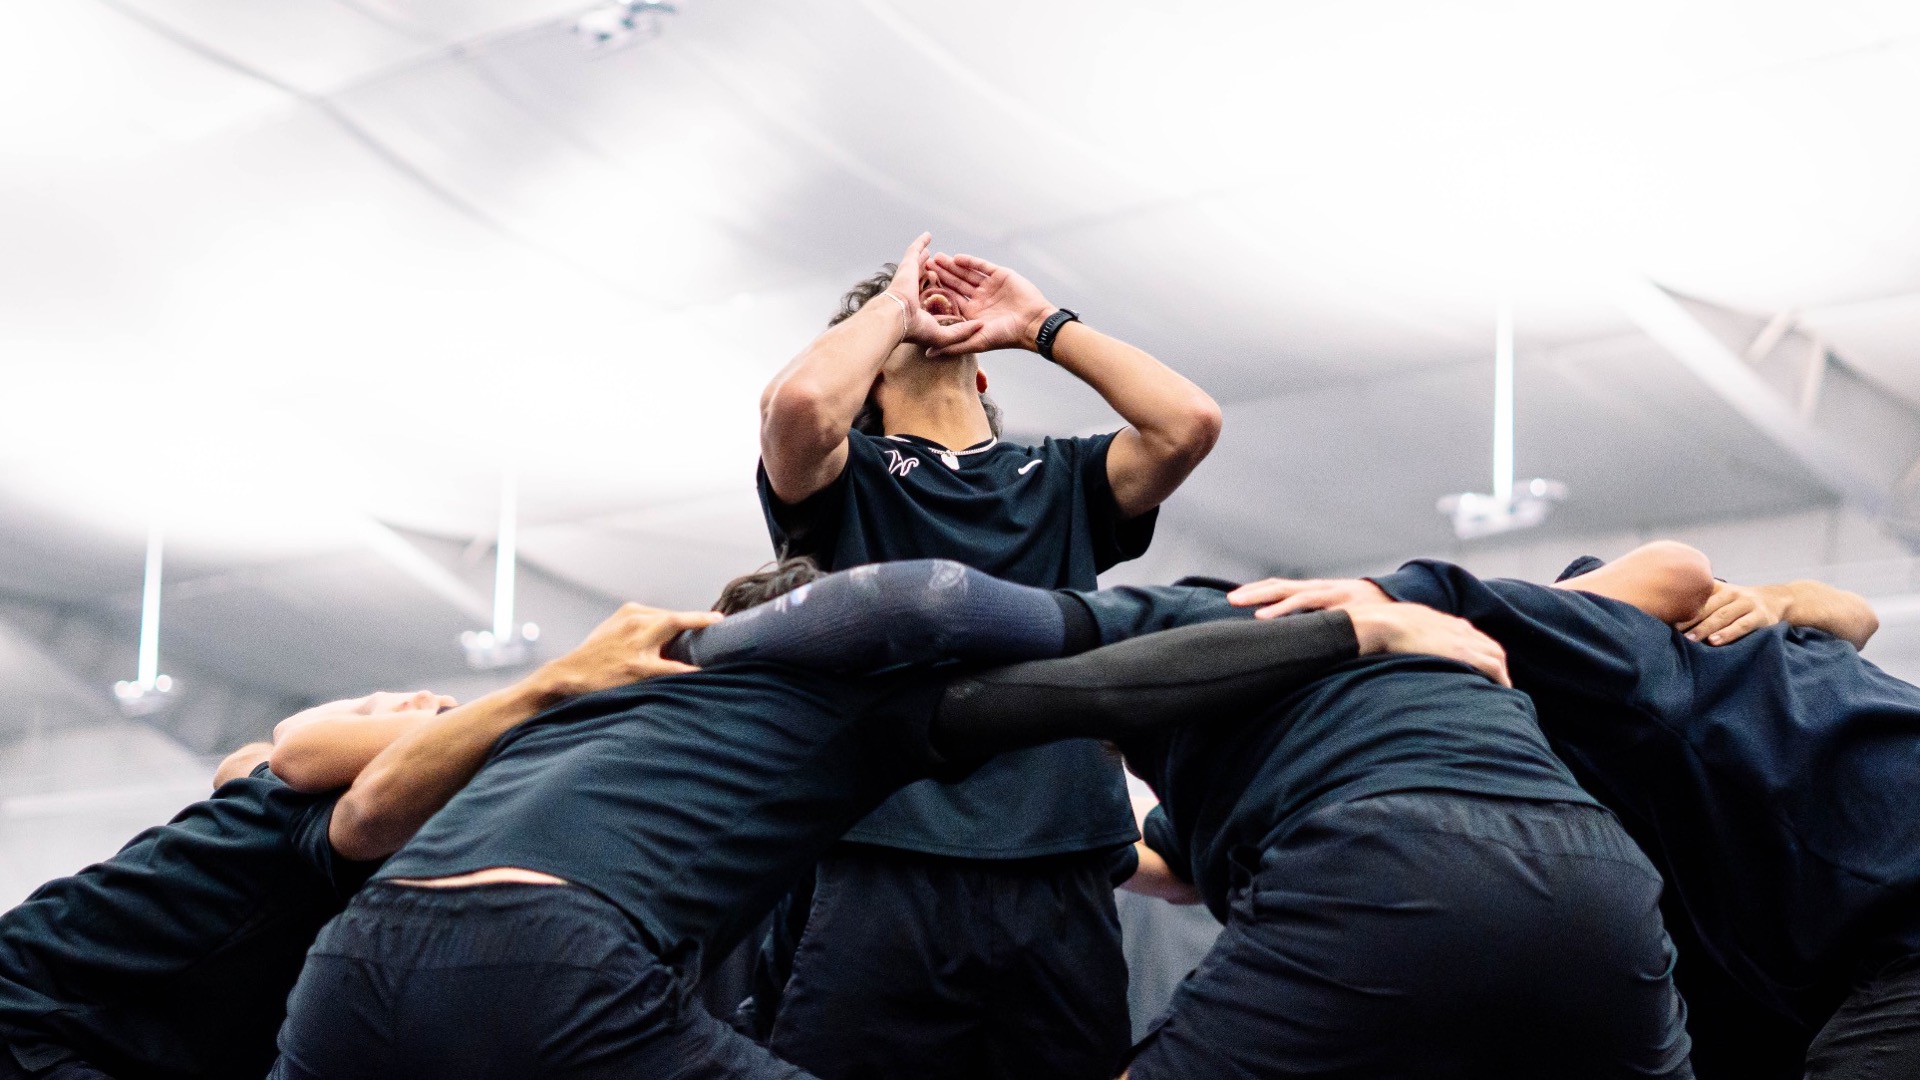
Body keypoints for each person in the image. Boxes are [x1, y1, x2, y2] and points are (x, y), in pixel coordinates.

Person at [269, 559, 1499, 1079]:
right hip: (545, 963)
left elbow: (365, 802)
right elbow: (1064, 663)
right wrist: (1357, 626)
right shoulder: (857, 703)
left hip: (352, 965)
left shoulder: (589, 698)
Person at [690, 560, 1693, 1078]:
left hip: (1390, 853)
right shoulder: (1328, 706)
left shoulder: (1193, 615)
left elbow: (928, 602)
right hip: (1604, 879)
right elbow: (1152, 862)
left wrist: (703, 650)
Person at [753, 232, 1221, 1077]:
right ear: (871, 370)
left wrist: (1041, 322)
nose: (930, 311)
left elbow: (1188, 422)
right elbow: (798, 407)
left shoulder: (1061, 477)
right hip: (886, 864)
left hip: (1059, 870)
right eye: (901, 323)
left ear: (981, 373)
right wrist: (889, 309)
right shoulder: (845, 477)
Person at [1228, 542, 1914, 1080]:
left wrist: (1388, 605)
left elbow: (1672, 570)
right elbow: (1858, 615)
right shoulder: (1694, 761)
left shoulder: (1638, 659)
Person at [0, 604, 712, 1080]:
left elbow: (272, 752)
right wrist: (554, 687)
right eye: (407, 706)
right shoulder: (312, 796)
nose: (419, 704)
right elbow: (292, 751)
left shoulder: (311, 812)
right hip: (37, 1015)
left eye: (431, 710)